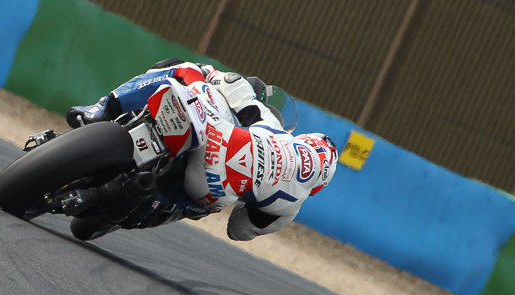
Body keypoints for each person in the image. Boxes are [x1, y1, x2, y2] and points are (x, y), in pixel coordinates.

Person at [66, 58, 338, 241]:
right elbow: (238, 231)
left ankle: (99, 111)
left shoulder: (276, 131)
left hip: (212, 135)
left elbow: (236, 87)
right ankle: (138, 204)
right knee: (193, 206)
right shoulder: (290, 208)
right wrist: (250, 196)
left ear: (307, 141)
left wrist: (208, 72)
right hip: (208, 187)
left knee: (182, 69)